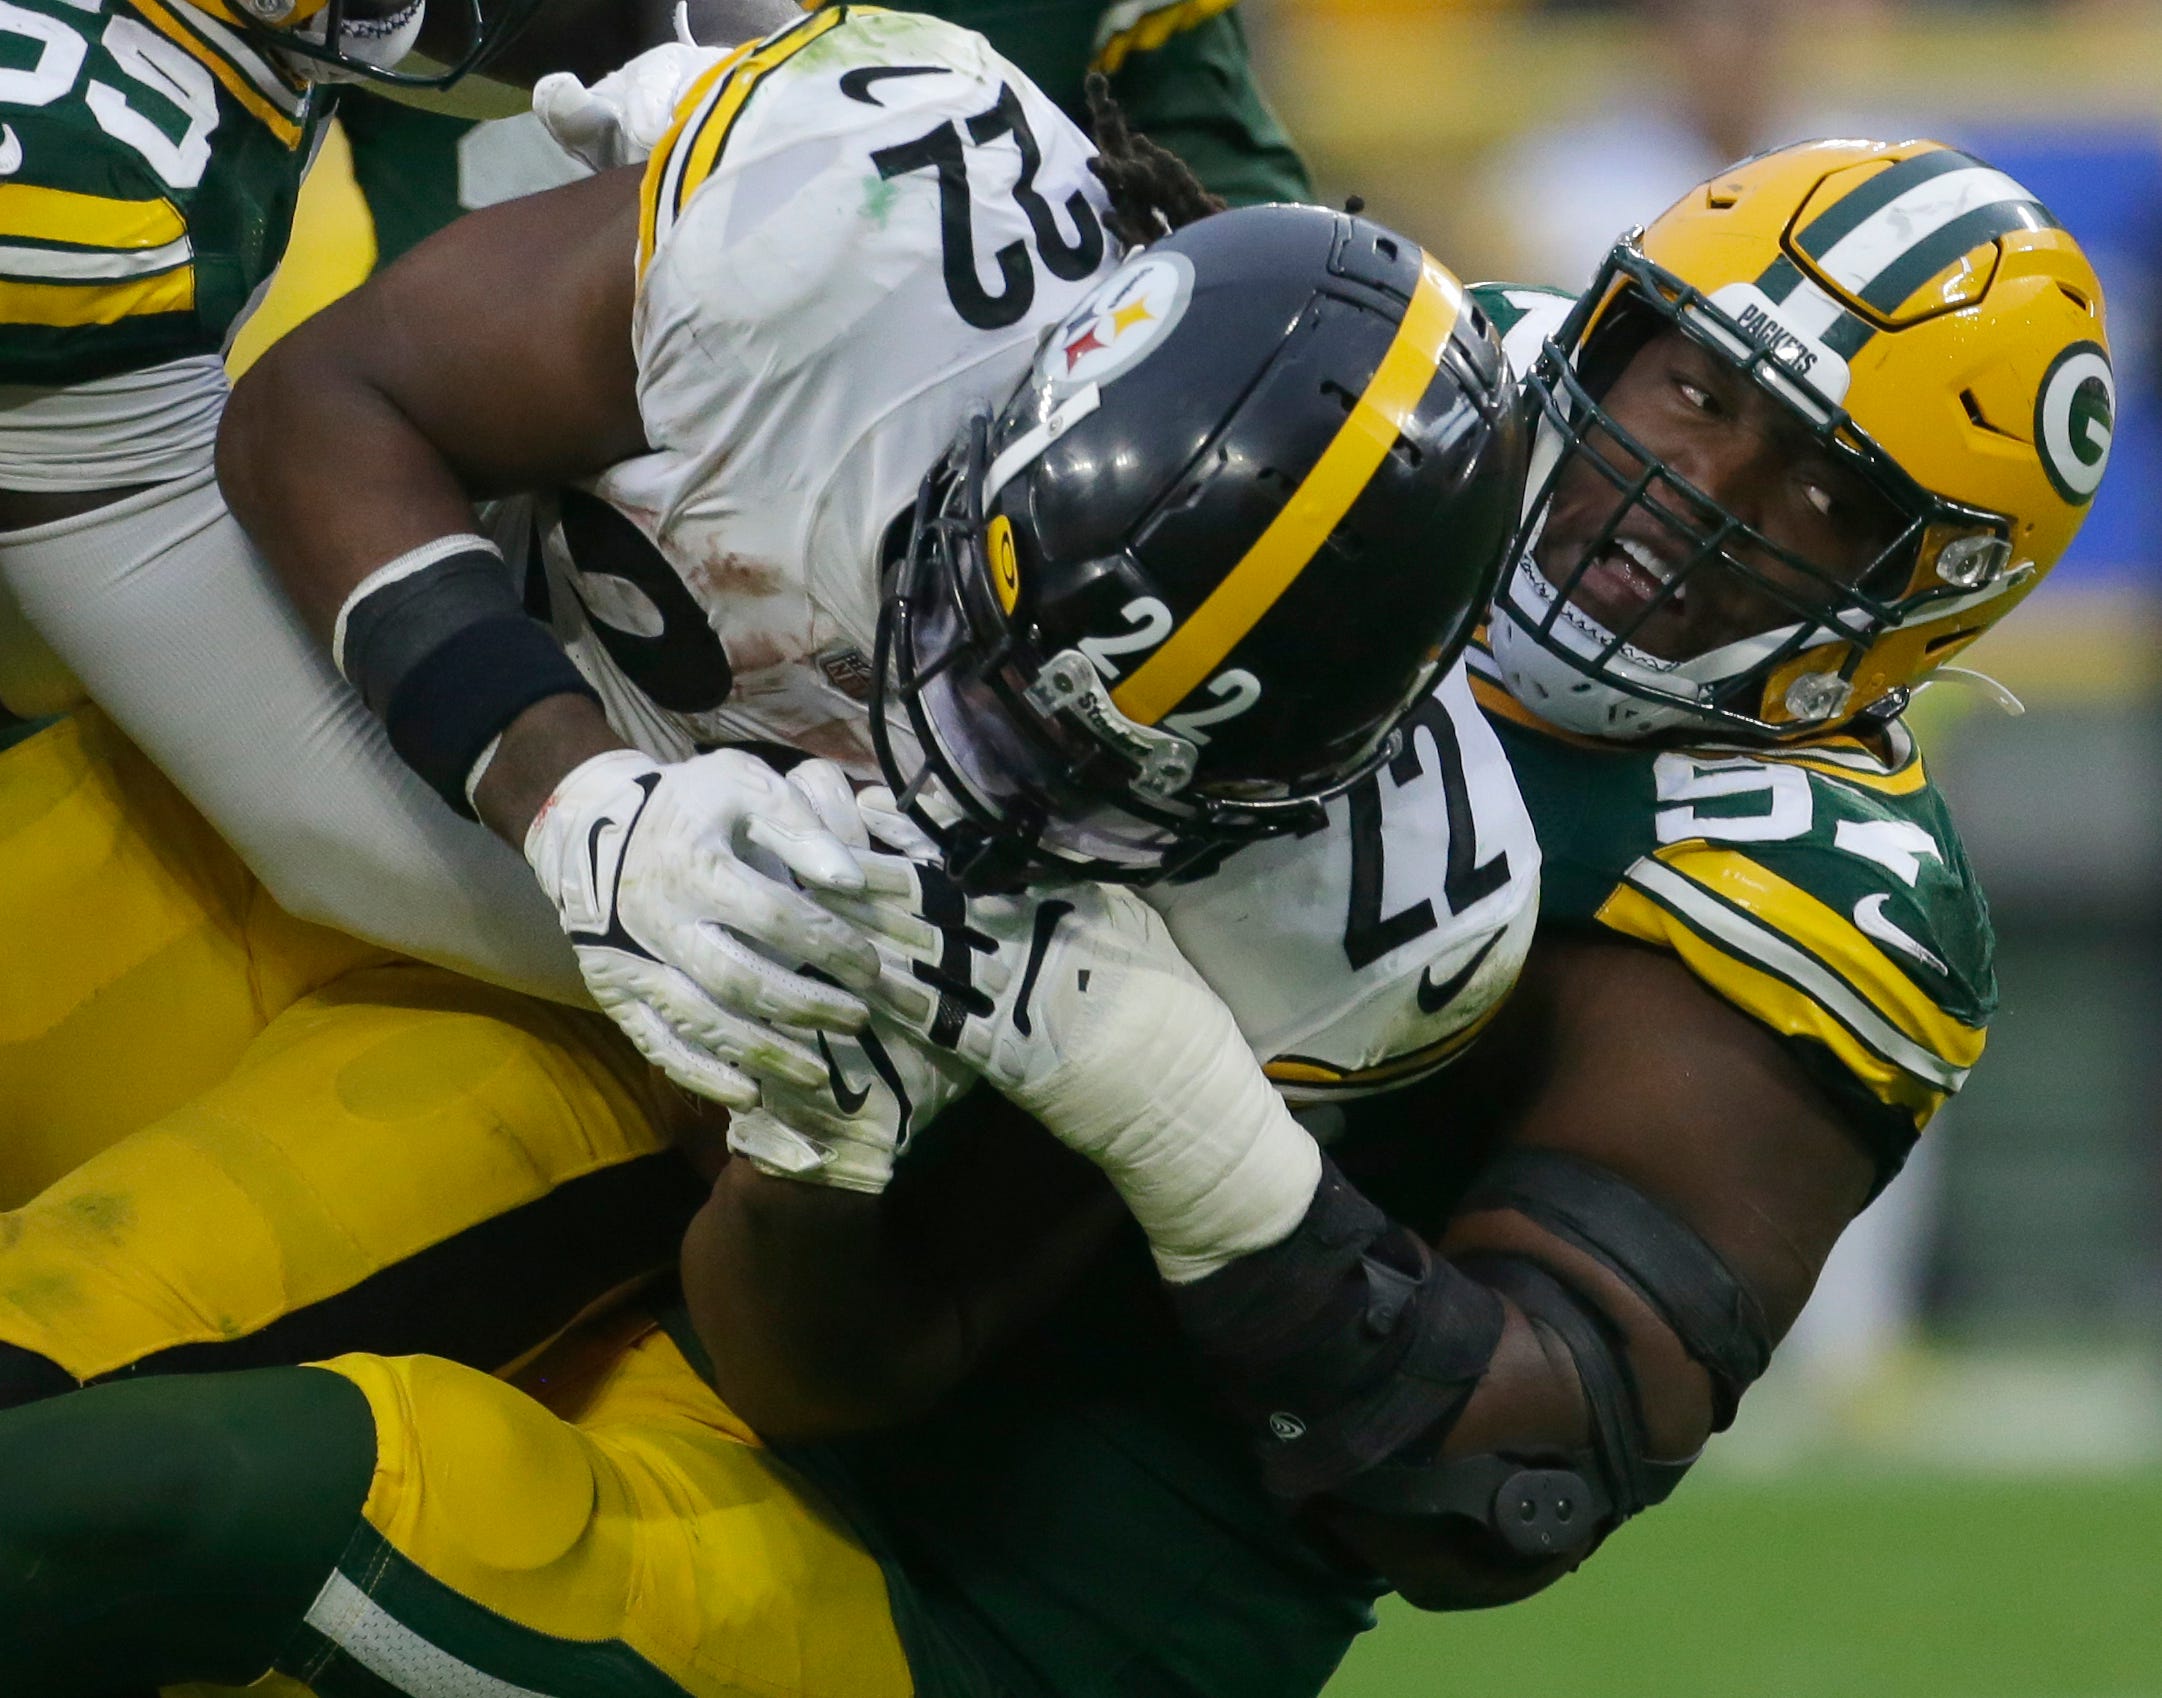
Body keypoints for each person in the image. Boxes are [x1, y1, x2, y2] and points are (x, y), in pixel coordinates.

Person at [0, 137, 2106, 1698]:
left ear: (1926, 598)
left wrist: (1187, 1128)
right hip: (721, 1146)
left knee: (202, 1513)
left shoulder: (1789, 881)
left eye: (1825, 497)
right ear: (1619, 320)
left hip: (990, 1592)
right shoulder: (1358, 377)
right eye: (1692, 386)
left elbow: (1500, 1491)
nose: (1686, 496)